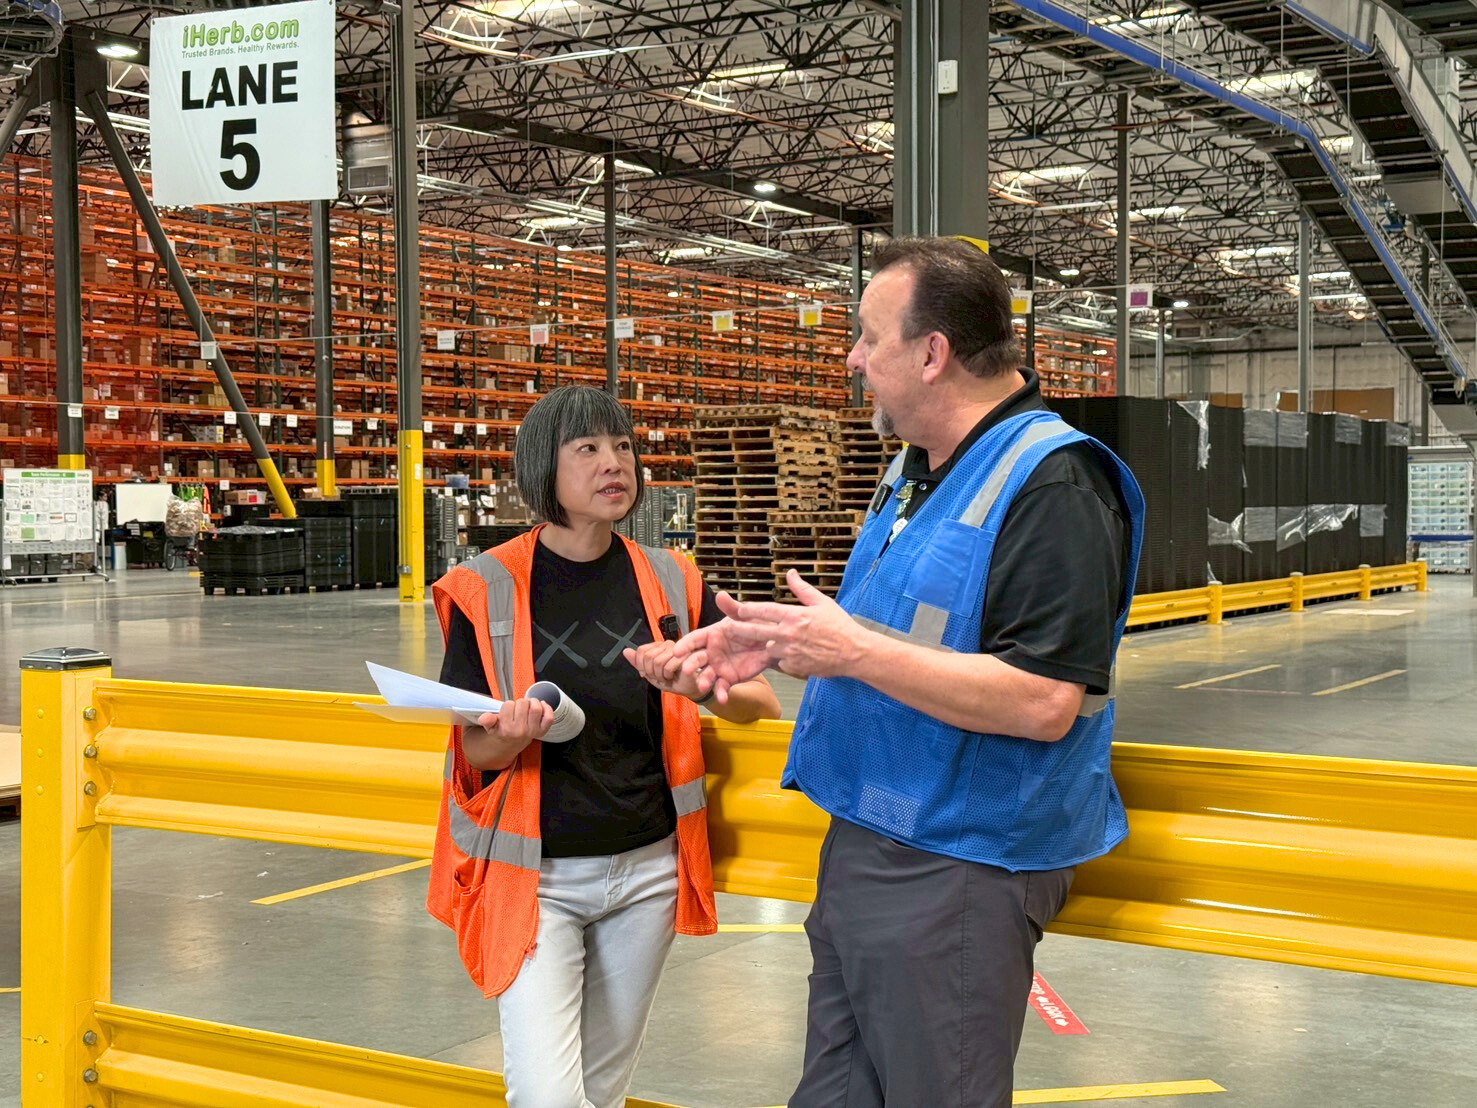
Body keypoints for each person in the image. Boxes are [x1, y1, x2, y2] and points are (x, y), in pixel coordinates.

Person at [672, 237, 1145, 1106]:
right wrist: (782, 645)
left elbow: (1043, 700)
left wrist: (849, 652)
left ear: (932, 354)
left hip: (957, 862)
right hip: (872, 831)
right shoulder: (914, 471)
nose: (852, 360)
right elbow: (901, 640)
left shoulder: (1054, 485)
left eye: (866, 336)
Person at [427, 385, 781, 1108]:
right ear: (542, 468)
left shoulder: (671, 577)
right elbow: (473, 751)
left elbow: (760, 704)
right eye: (586, 448)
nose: (613, 463)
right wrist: (509, 736)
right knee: (549, 1098)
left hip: (647, 872)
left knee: (602, 1091)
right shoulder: (483, 586)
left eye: (621, 446)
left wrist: (699, 685)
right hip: (538, 878)